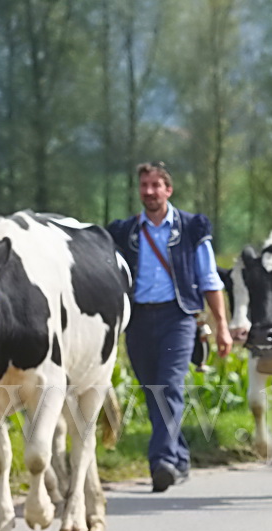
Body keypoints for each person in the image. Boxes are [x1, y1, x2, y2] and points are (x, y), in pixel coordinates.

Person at [108, 162, 232, 492]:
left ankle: (161, 461)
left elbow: (209, 278)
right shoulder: (125, 232)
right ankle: (178, 457)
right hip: (137, 321)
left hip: (178, 318)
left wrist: (222, 325)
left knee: (169, 386)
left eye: (155, 185)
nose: (148, 192)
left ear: (168, 189)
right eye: (144, 186)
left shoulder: (191, 227)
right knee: (151, 392)